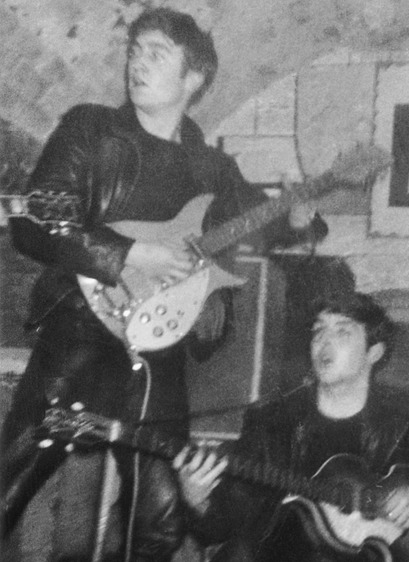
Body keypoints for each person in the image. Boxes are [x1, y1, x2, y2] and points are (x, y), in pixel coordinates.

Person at [1, 7, 326, 560]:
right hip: (81, 334)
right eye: (135, 50)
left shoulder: (211, 170)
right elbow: (35, 221)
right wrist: (131, 254)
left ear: (193, 77)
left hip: (159, 352)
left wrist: (300, 219)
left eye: (156, 53)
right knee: (13, 480)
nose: (137, 62)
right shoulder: (91, 128)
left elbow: (256, 226)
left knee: (160, 517)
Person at [173, 291, 409, 562]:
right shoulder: (273, 421)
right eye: (318, 330)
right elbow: (228, 525)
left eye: (342, 332)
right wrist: (196, 499)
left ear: (374, 352)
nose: (325, 341)